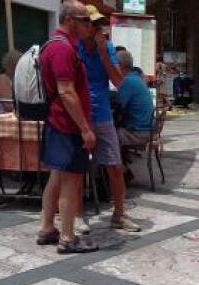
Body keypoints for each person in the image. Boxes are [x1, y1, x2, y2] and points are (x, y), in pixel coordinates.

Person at [37, 0, 97, 254]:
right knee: (72, 181)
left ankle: (47, 228)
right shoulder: (62, 49)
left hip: (58, 123)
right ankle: (68, 237)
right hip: (67, 125)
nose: (89, 25)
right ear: (70, 20)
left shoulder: (58, 45)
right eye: (85, 20)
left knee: (57, 177)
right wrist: (85, 128)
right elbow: (67, 92)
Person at [75, 5, 140, 233]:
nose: (97, 28)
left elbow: (118, 81)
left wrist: (103, 53)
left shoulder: (109, 48)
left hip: (102, 114)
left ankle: (119, 214)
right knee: (77, 167)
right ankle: (77, 215)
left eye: (99, 24)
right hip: (81, 114)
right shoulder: (76, 47)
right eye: (93, 24)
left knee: (115, 164)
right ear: (85, 26)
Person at [116, 50, 155, 147]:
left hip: (138, 133)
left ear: (119, 66)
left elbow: (118, 105)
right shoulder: (137, 78)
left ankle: (111, 161)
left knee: (104, 134)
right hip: (148, 129)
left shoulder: (128, 81)